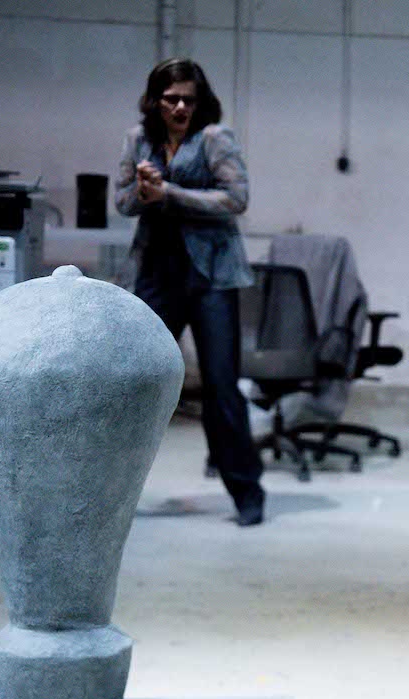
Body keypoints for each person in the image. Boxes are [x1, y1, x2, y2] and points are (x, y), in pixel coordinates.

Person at [115, 57, 265, 526]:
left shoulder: (215, 138)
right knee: (135, 385)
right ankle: (109, 494)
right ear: (155, 100)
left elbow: (236, 199)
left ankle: (247, 493)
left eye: (188, 100)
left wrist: (170, 193)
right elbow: (122, 202)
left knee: (221, 387)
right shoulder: (138, 138)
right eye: (171, 99)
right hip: (157, 275)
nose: (180, 108)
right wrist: (143, 192)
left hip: (211, 277)